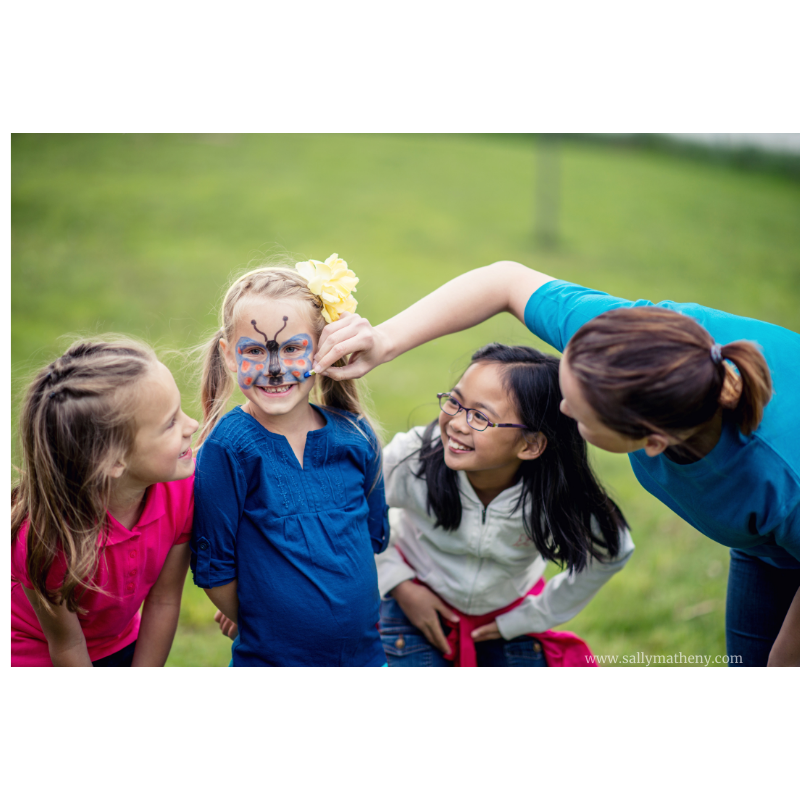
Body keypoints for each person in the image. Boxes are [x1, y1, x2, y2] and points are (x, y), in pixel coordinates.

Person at [310, 261, 800, 667]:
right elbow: (503, 280)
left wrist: (526, 618)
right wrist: (384, 342)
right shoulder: (620, 343)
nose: (564, 410)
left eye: (580, 415)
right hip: (763, 547)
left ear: (652, 440)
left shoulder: (784, 476)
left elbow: (609, 549)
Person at [378, 343, 634, 667]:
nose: (456, 423)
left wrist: (530, 617)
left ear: (530, 444)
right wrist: (398, 582)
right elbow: (351, 509)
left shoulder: (556, 493)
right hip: (412, 604)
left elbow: (613, 551)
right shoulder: (414, 457)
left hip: (507, 617)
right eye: (455, 402)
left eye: (480, 417)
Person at [191, 257, 389, 667]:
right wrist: (264, 614)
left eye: (294, 348)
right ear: (229, 355)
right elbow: (216, 571)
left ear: (324, 348)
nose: (275, 369)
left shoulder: (356, 437)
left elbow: (371, 540)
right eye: (255, 351)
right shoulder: (228, 448)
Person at [10, 338, 198, 667]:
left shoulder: (182, 492)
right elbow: (67, 644)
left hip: (118, 639)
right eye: (170, 423)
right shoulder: (47, 539)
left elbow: (164, 601)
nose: (192, 425)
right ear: (112, 462)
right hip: (37, 649)